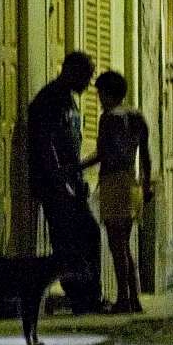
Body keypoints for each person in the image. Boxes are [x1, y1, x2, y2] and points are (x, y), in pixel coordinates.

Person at [27, 51, 106, 315]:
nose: (90, 82)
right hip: (56, 186)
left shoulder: (68, 102)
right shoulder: (48, 100)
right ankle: (81, 298)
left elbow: (70, 144)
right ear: (71, 71)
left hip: (71, 183)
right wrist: (60, 183)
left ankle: (88, 296)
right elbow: (45, 145)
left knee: (88, 236)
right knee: (68, 241)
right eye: (87, 75)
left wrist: (77, 179)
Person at [79, 71, 153, 314]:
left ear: (109, 94)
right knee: (125, 245)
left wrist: (76, 166)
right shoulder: (137, 116)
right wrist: (147, 183)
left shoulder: (108, 118)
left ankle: (124, 299)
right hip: (131, 185)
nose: (99, 99)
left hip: (113, 183)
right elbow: (146, 156)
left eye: (101, 93)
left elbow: (102, 153)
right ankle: (135, 299)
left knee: (116, 245)